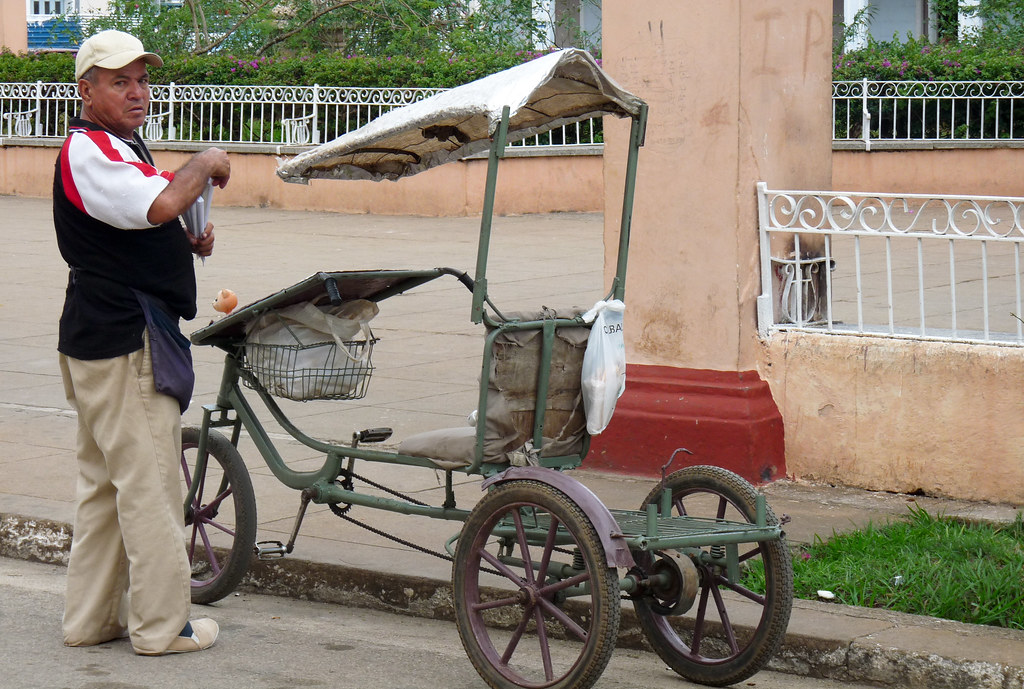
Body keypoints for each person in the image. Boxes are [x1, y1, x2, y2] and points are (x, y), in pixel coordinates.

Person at [53, 29, 230, 656]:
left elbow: (139, 221)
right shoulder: (89, 148)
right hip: (125, 341)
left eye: (142, 79)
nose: (137, 92)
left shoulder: (117, 146)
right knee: (153, 486)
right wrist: (204, 164)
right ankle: (163, 626)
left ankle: (92, 618)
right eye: (119, 81)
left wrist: (183, 241)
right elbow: (156, 205)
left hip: (103, 333)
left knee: (106, 486)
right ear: (88, 90)